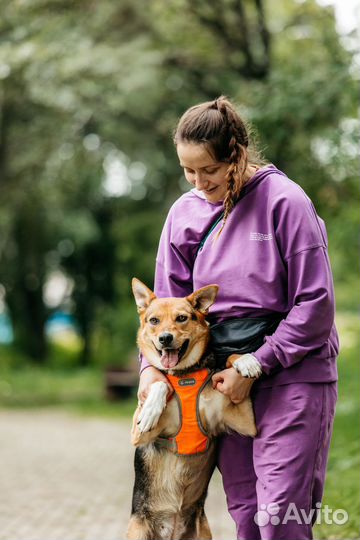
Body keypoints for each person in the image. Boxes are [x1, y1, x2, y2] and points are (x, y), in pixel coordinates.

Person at [137, 96, 338, 540]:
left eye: (208, 170)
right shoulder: (184, 214)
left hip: (292, 373)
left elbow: (316, 304)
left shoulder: (285, 202)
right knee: (246, 510)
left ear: (237, 154)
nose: (198, 181)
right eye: (188, 171)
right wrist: (152, 370)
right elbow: (164, 311)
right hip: (219, 381)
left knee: (280, 511)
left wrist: (256, 363)